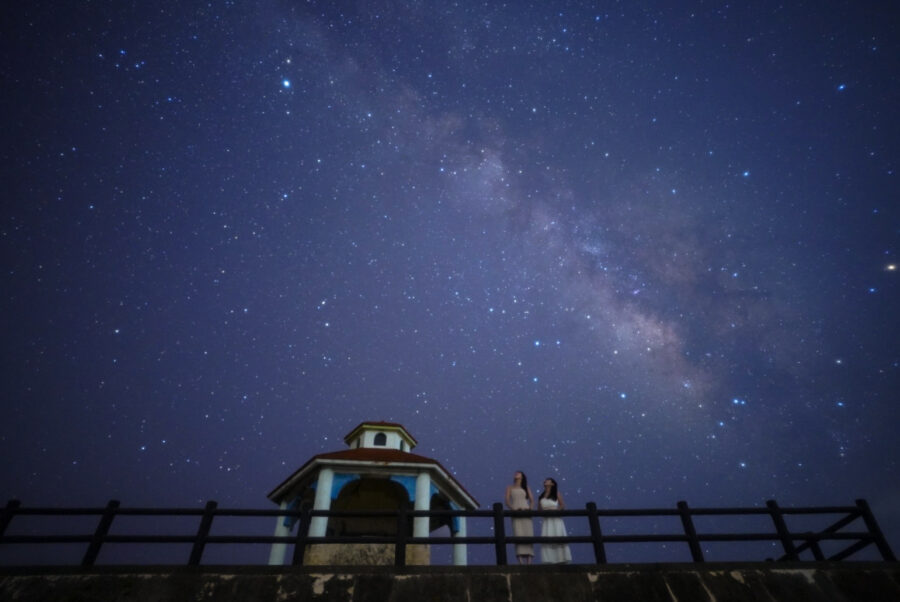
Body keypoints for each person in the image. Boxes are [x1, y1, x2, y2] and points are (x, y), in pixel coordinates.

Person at [539, 477, 572, 564]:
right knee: (548, 536)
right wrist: (543, 512)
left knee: (557, 534)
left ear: (552, 484)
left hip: (555, 518)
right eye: (545, 480)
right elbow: (539, 509)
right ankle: (549, 560)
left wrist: (556, 511)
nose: (545, 481)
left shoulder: (556, 493)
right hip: (546, 519)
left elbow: (562, 505)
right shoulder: (541, 496)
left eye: (548, 480)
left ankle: (561, 559)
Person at [504, 471, 535, 564]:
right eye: (515, 473)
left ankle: (529, 561)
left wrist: (530, 509)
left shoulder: (526, 487)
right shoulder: (510, 487)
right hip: (516, 510)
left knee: (528, 533)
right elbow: (507, 500)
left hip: (525, 510)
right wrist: (513, 509)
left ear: (522, 476)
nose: (516, 474)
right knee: (518, 533)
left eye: (518, 473)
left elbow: (532, 500)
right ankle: (520, 560)